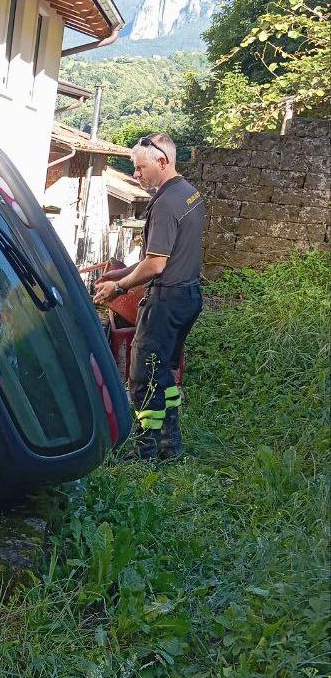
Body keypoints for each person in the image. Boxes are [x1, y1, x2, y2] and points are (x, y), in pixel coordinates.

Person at [93, 133, 204, 460]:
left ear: (162, 161)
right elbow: (168, 253)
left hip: (165, 301)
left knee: (143, 377)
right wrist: (121, 274)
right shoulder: (189, 194)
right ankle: (170, 445)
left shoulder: (166, 204)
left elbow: (156, 264)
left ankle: (145, 452)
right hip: (188, 297)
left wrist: (119, 287)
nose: (136, 174)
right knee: (164, 371)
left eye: (141, 167)